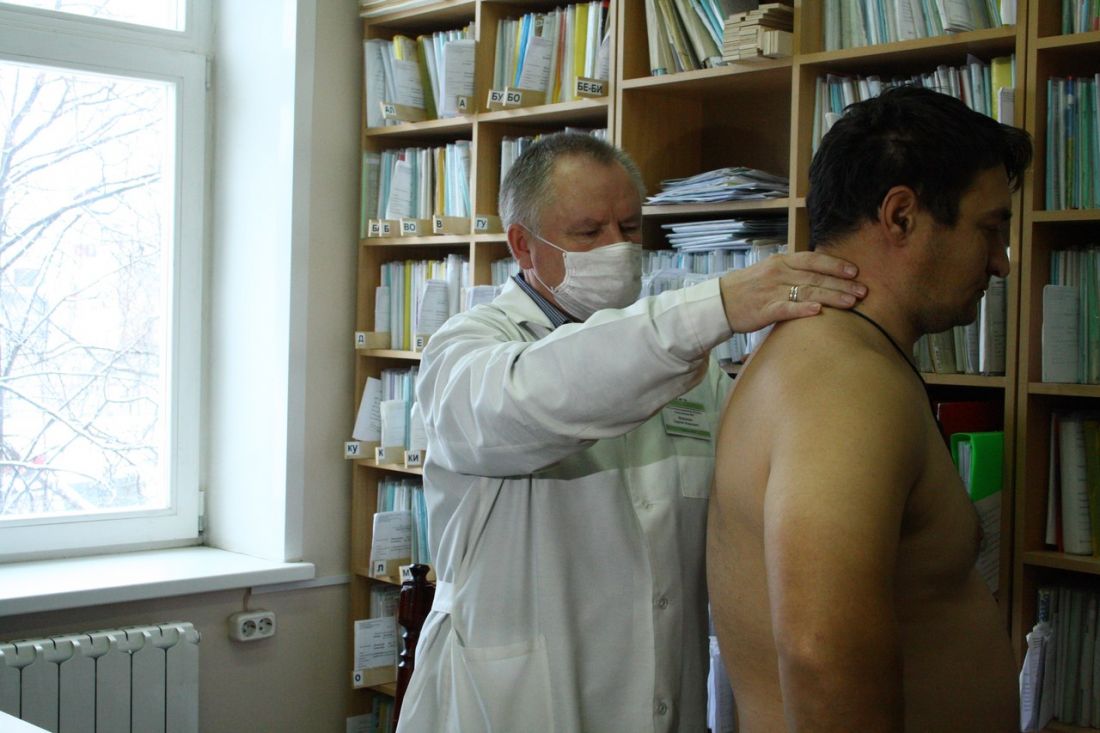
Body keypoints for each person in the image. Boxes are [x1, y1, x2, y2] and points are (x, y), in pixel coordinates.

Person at [396, 132, 867, 732]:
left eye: (629, 227)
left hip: (664, 698)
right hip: (514, 706)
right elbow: (539, 396)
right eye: (588, 232)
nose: (617, 249)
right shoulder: (467, 350)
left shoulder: (692, 371)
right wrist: (718, 306)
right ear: (522, 245)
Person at [707, 85, 1033, 732]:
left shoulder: (843, 359)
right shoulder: (841, 381)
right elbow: (819, 653)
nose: (1001, 262)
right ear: (901, 216)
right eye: (990, 228)